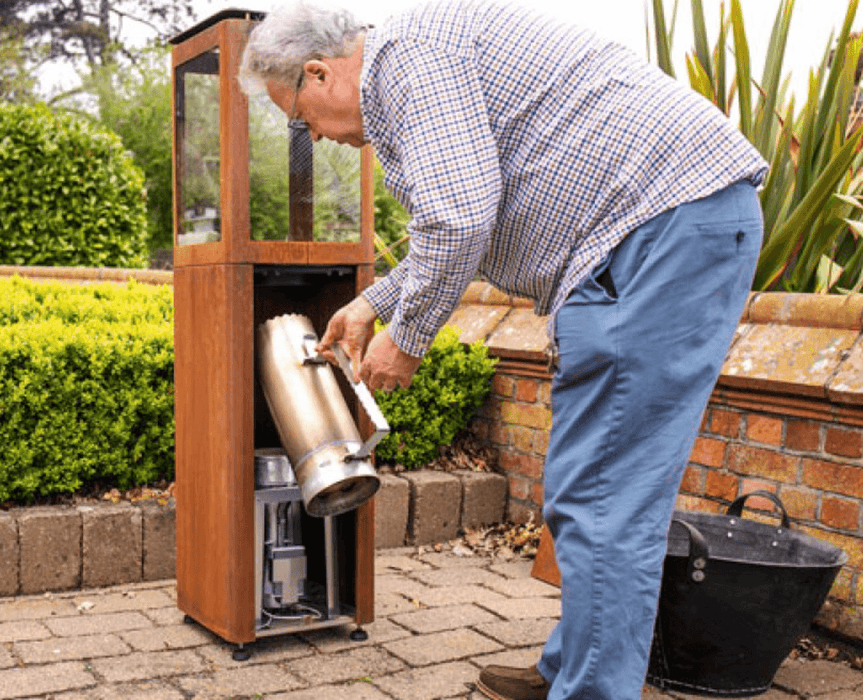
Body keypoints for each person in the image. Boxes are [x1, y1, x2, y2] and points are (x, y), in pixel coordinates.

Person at [239, 1, 769, 698]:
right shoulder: (414, 57)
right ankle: (573, 672)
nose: (313, 133)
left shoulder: (406, 60)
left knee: (605, 502)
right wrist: (375, 304)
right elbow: (467, 221)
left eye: (300, 116)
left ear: (320, 72)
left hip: (657, 238)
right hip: (661, 234)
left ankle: (589, 690)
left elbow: (459, 220)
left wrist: (411, 338)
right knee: (593, 493)